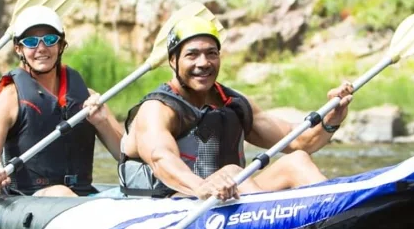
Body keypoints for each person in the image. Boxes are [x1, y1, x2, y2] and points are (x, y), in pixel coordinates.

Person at [118, 15, 354, 201]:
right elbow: (161, 159)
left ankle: (335, 212)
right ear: (173, 61)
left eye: (211, 54)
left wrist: (332, 118)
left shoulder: (235, 103)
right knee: (231, 172)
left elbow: (299, 141)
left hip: (232, 198)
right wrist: (202, 186)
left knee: (297, 161)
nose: (203, 63)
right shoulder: (157, 108)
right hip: (173, 201)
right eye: (192, 55)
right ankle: (275, 228)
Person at [0, 5, 123, 196]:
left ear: (61, 45)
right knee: (61, 193)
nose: (41, 48)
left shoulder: (87, 98)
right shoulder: (9, 100)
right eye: (31, 42)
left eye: (50, 40)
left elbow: (124, 155)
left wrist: (102, 123)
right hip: (29, 201)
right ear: (18, 49)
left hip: (82, 196)